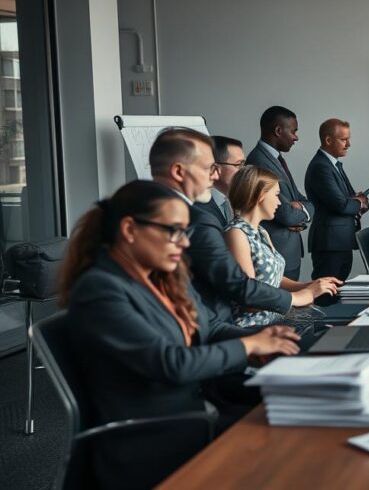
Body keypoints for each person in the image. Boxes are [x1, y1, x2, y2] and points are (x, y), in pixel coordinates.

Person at [60, 180, 301, 490]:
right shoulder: (100, 290)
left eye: (185, 232)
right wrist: (247, 345)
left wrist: (266, 337)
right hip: (152, 438)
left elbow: (209, 328)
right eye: (173, 231)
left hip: (199, 407)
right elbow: (170, 363)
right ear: (130, 230)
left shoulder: (164, 278)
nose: (184, 243)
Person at [149, 128, 317, 326]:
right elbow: (240, 286)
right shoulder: (197, 219)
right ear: (178, 172)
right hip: (218, 326)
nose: (213, 176)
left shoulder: (210, 208)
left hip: (214, 326)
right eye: (208, 168)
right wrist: (296, 298)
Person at [225, 166, 341, 328]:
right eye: (277, 195)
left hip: (278, 320)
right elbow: (250, 300)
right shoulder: (236, 234)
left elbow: (275, 279)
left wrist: (311, 285)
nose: (280, 202)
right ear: (260, 196)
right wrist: (300, 296)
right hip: (256, 328)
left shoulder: (260, 231)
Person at [246, 106, 314, 280]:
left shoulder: (275, 159)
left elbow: (304, 200)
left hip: (288, 251)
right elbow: (287, 215)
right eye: (293, 131)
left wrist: (301, 208)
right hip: (277, 250)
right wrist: (297, 211)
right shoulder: (259, 160)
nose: (296, 137)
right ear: (278, 130)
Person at [304, 119, 368, 281]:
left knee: (336, 290)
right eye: (344, 139)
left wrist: (358, 202)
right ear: (328, 140)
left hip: (339, 240)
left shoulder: (332, 164)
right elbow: (342, 205)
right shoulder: (321, 167)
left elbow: (347, 201)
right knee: (326, 294)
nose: (349, 144)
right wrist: (359, 202)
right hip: (330, 243)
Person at [197, 135, 245, 227]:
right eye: (239, 164)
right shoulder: (199, 207)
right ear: (215, 169)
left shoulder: (241, 199)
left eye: (244, 164)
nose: (244, 170)